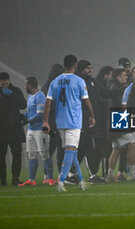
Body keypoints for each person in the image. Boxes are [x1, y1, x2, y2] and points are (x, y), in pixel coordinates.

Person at [42, 54, 96, 192]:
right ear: (75, 65)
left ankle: (81, 181)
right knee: (70, 150)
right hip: (74, 120)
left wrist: (46, 121)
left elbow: (48, 102)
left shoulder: (55, 81)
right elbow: (86, 100)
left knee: (71, 150)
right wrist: (92, 116)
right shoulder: (78, 81)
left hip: (60, 121)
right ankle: (61, 181)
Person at [0, 72, 27, 186]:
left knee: (17, 154)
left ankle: (15, 178)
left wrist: (12, 95)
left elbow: (23, 105)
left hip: (14, 129)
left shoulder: (16, 91)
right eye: (2, 84)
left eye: (6, 84)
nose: (4, 86)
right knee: (0, 156)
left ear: (9, 81)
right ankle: (2, 179)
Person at [18, 77, 55, 186]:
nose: (24, 87)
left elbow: (40, 114)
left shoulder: (40, 96)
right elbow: (30, 112)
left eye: (25, 85)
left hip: (40, 130)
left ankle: (50, 178)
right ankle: (32, 179)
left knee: (44, 154)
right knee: (32, 154)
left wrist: (27, 120)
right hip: (31, 130)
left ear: (30, 85)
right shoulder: (30, 97)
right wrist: (22, 117)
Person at [106, 69, 135, 182]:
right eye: (124, 75)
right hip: (119, 119)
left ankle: (110, 175)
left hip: (114, 119)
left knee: (116, 149)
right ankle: (133, 173)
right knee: (132, 145)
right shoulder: (117, 88)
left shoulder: (113, 86)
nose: (126, 77)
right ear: (118, 76)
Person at [41, 64, 64, 182]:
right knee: (51, 149)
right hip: (51, 123)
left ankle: (58, 174)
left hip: (57, 122)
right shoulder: (49, 87)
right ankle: (48, 175)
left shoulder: (51, 86)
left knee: (59, 149)